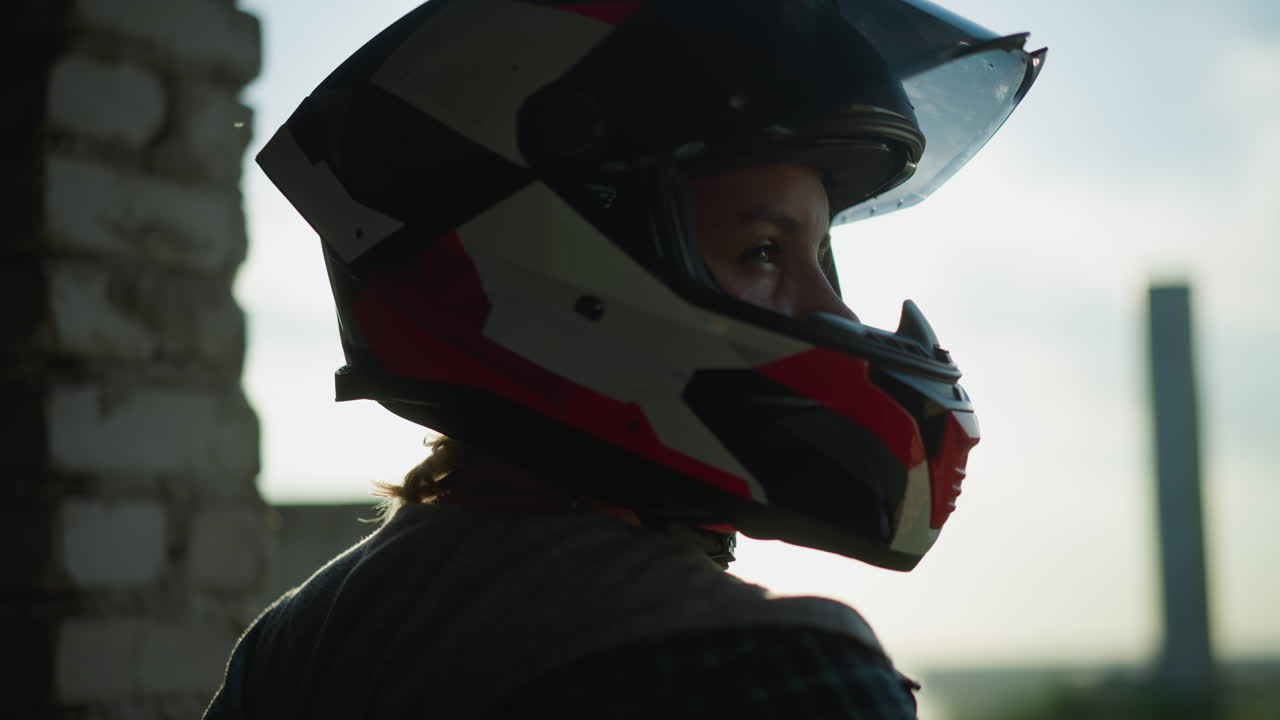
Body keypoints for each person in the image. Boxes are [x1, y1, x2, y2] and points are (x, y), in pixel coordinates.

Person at [206, 1, 1044, 717]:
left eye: (819, 258)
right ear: (559, 259)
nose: (835, 314)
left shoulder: (293, 645)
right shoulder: (768, 672)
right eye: (761, 251)